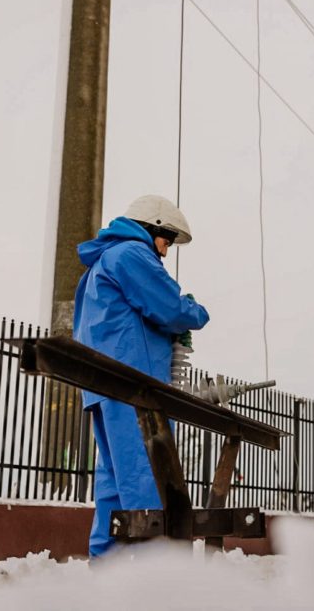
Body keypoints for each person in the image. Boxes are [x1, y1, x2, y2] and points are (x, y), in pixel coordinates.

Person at [72, 195, 210, 558]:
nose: (164, 252)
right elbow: (170, 306)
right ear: (154, 228)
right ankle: (148, 573)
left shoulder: (103, 263)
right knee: (146, 477)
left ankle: (107, 566)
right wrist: (195, 311)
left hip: (105, 384)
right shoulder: (132, 254)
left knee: (114, 483)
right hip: (134, 384)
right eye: (166, 241)